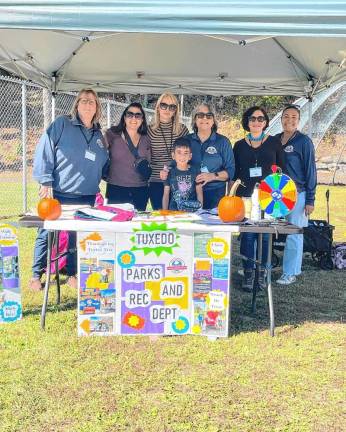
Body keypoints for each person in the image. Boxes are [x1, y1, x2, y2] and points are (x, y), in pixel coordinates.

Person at [30, 88, 109, 291]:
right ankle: (35, 274)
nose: (88, 104)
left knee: (77, 236)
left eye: (92, 101)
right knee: (46, 233)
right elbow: (45, 149)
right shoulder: (62, 124)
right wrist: (45, 180)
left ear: (97, 107)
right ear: (77, 104)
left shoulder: (99, 134)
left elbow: (104, 165)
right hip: (59, 193)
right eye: (84, 100)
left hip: (88, 195)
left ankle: (73, 273)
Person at [233, 106, 286, 292]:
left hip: (268, 196)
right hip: (246, 196)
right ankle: (248, 272)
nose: (256, 122)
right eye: (253, 118)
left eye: (260, 118)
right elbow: (235, 172)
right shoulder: (239, 145)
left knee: (265, 236)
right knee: (247, 236)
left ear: (265, 122)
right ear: (247, 122)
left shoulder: (274, 143)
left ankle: (262, 273)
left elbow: (281, 170)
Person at [276, 104, 317, 285]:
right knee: (269, 230)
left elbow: (310, 171)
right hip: (276, 195)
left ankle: (290, 272)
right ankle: (265, 267)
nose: (289, 120)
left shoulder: (304, 141)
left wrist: (310, 199)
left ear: (298, 121)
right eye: (286, 116)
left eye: (294, 117)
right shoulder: (275, 140)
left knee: (294, 234)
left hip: (298, 195)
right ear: (281, 119)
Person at [186, 103, 235, 209]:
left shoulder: (223, 142)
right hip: (190, 194)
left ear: (213, 121)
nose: (204, 118)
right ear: (195, 120)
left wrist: (212, 176)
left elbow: (231, 171)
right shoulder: (186, 140)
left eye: (209, 116)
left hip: (215, 194)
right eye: (200, 115)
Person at [105, 102, 151, 210]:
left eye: (138, 115)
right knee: (117, 225)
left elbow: (151, 161)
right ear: (124, 117)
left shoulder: (147, 138)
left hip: (140, 190)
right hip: (116, 188)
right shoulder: (112, 134)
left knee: (136, 224)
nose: (134, 118)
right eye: (130, 114)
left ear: (142, 119)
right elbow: (99, 154)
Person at [148, 93, 189, 210]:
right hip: (156, 181)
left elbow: (187, 156)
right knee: (161, 218)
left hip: (178, 180)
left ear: (176, 110)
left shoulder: (182, 130)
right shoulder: (149, 130)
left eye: (172, 107)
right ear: (157, 107)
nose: (167, 109)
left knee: (179, 218)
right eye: (164, 105)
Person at [162, 138, 203, 210]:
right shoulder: (169, 172)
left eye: (186, 153)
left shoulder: (196, 171)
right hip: (174, 212)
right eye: (179, 152)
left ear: (190, 156)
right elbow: (166, 195)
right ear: (173, 155)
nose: (182, 156)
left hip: (192, 212)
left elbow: (199, 193)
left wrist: (200, 210)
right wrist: (165, 212)